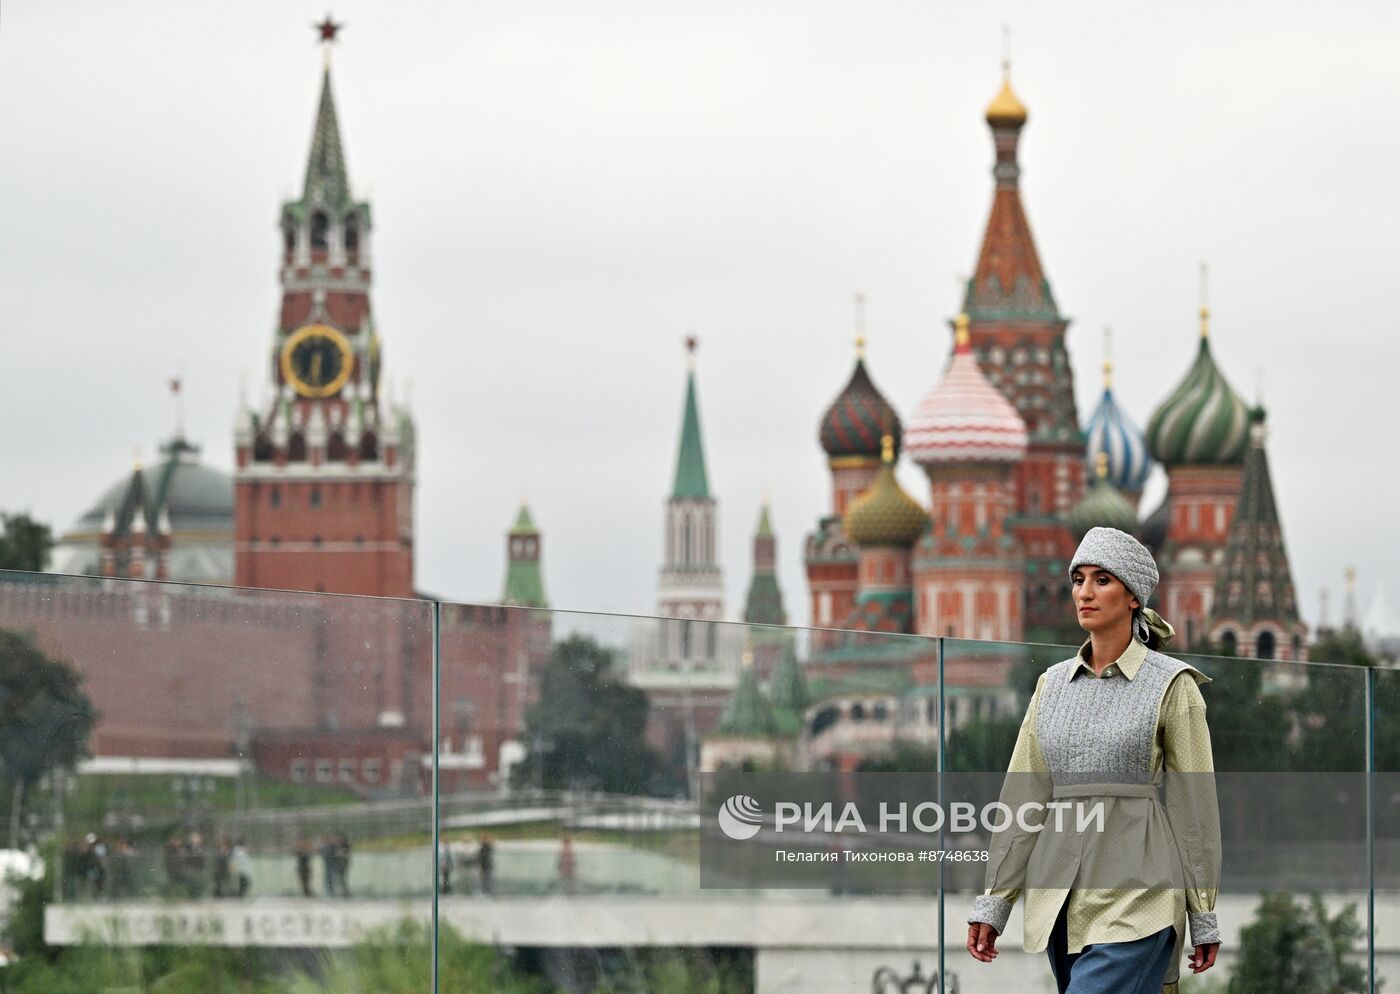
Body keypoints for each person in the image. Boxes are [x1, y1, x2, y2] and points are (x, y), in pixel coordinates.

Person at [965, 526, 1222, 994]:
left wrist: (1202, 912)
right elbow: (1024, 795)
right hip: (1059, 896)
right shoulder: (1051, 684)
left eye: (1102, 580)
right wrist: (995, 901)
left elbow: (1194, 808)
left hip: (1141, 894)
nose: (1085, 592)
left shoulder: (1173, 685)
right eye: (1078, 579)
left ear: (1132, 597)